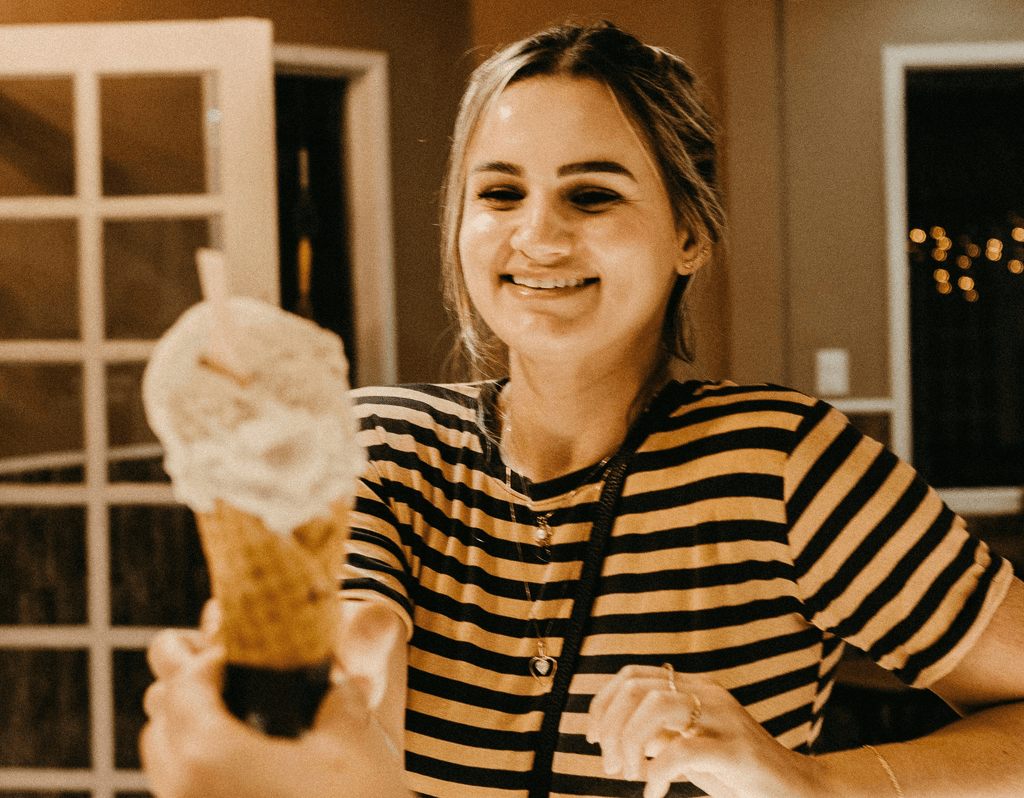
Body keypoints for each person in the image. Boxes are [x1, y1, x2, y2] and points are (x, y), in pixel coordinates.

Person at [141, 21, 1024, 798]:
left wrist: (811, 783)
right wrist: (322, 679)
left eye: (592, 194)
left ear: (690, 232)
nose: (538, 234)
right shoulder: (378, 440)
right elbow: (360, 636)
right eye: (499, 193)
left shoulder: (784, 465)